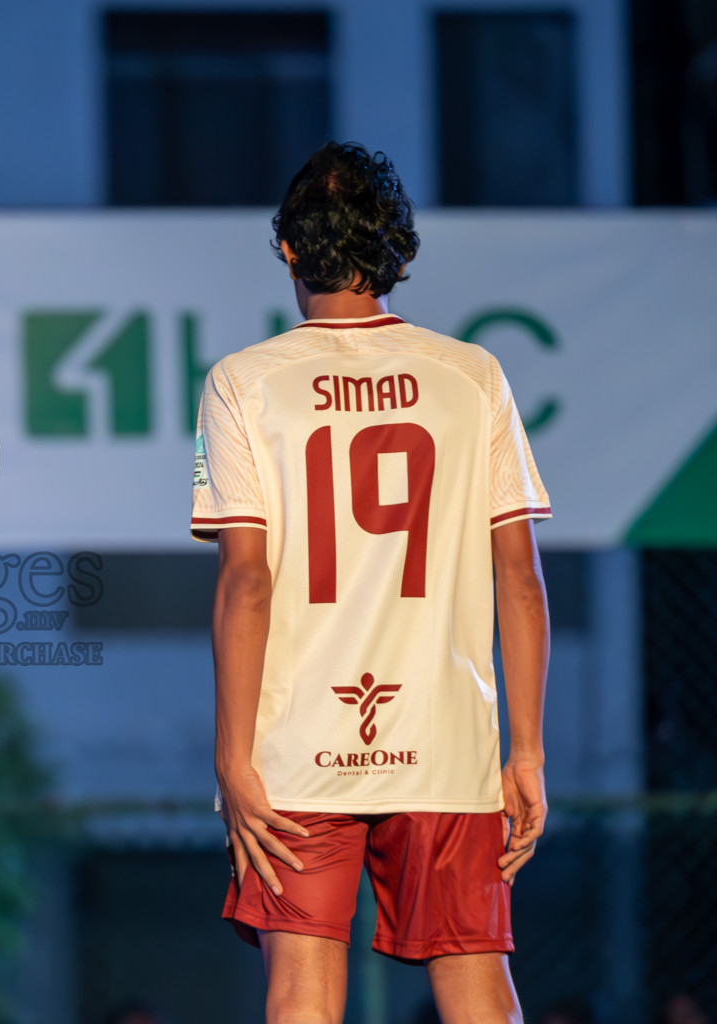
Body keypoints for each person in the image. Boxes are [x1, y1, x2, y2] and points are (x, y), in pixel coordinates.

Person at [194, 141, 551, 1023]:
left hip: (298, 748)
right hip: (446, 741)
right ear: (399, 247)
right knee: (475, 985)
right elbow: (521, 576)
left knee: (302, 991)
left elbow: (247, 582)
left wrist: (234, 759)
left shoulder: (243, 381)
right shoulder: (473, 375)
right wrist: (527, 751)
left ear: (286, 247)